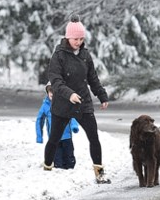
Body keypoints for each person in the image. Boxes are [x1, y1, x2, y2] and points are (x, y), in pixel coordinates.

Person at [44, 16, 111, 184]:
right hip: (63, 103)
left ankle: (99, 173)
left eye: (82, 39)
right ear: (68, 37)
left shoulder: (85, 55)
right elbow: (56, 81)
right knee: (54, 139)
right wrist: (69, 94)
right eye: (76, 39)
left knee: (94, 138)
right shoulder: (58, 56)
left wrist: (102, 95)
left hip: (83, 102)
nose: (79, 42)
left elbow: (92, 78)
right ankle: (47, 167)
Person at [35, 83, 80, 169]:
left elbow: (72, 116)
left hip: (67, 137)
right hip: (54, 139)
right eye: (49, 91)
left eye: (54, 91)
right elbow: (39, 120)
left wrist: (74, 126)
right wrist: (39, 136)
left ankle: (69, 170)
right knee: (57, 161)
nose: (52, 94)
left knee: (69, 159)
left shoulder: (65, 104)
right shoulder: (45, 106)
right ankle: (58, 170)